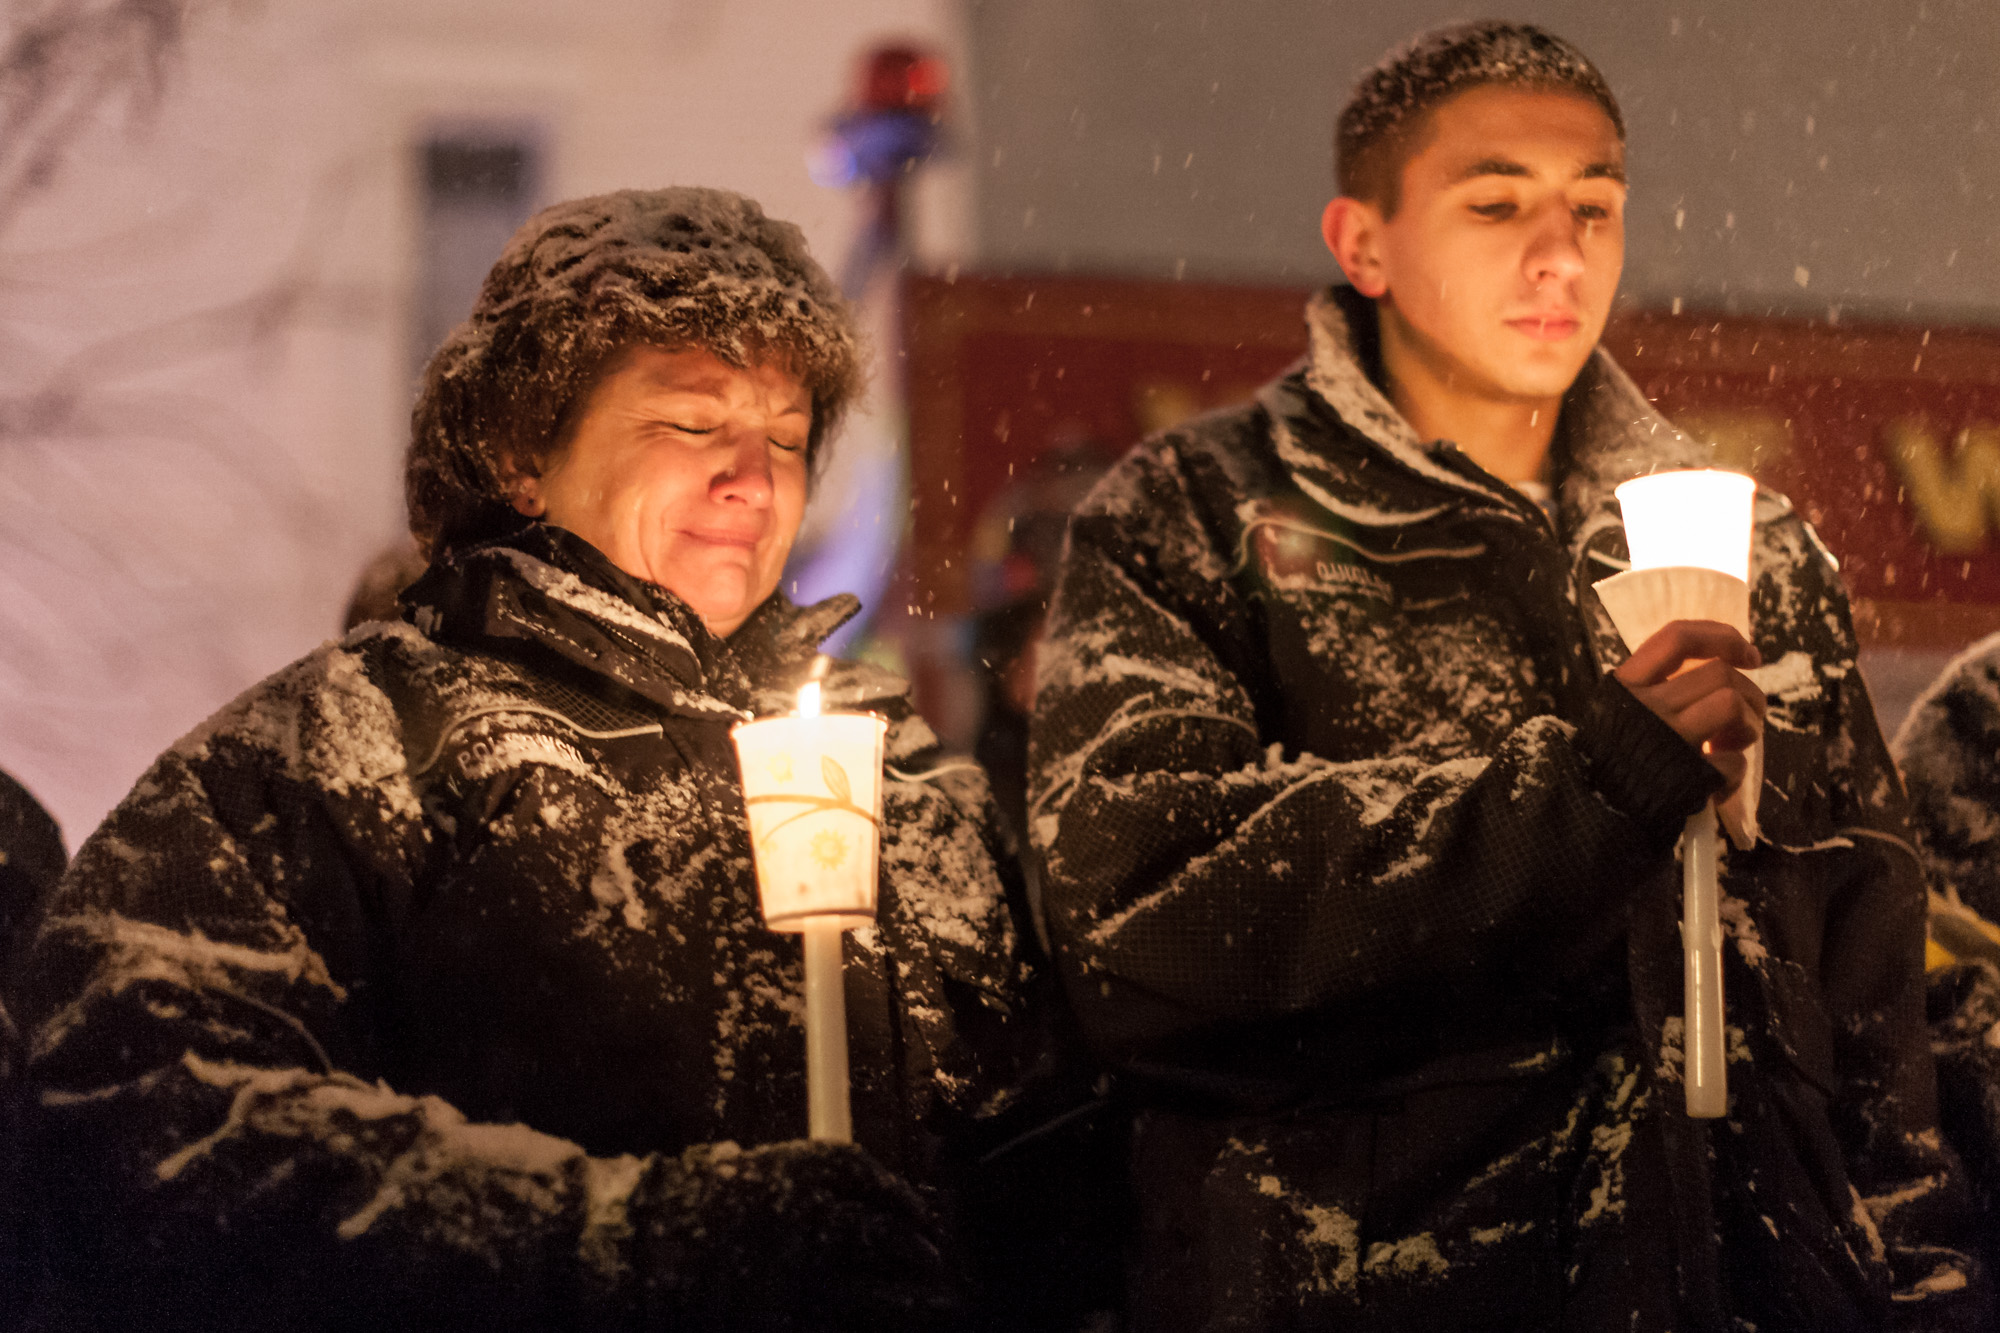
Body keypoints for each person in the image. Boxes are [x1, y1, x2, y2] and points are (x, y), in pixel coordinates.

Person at [1027, 22, 1986, 1331]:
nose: (1561, 254)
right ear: (1363, 242)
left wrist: (1922, 1283)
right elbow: (1145, 925)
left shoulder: (1750, 549)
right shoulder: (1199, 518)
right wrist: (1589, 795)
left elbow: (1870, 989)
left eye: (1595, 206)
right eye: (1497, 204)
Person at [9, 188, 1022, 1331]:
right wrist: (621, 1243)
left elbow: (1056, 1147)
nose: (754, 479)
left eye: (784, 438)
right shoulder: (359, 746)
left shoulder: (896, 778)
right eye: (691, 426)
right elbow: (129, 1107)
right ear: (522, 453)